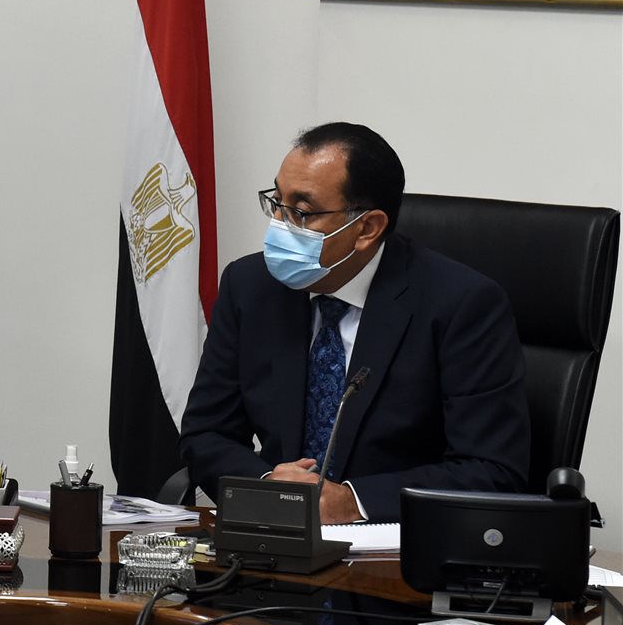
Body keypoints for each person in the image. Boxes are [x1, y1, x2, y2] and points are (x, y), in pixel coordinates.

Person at [179, 122, 529, 524]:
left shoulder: (461, 305)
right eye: (277, 202)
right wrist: (267, 484)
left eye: (301, 212)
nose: (279, 224)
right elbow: (206, 434)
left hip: (398, 546)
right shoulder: (250, 286)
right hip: (273, 537)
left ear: (367, 228)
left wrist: (353, 501)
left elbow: (491, 470)